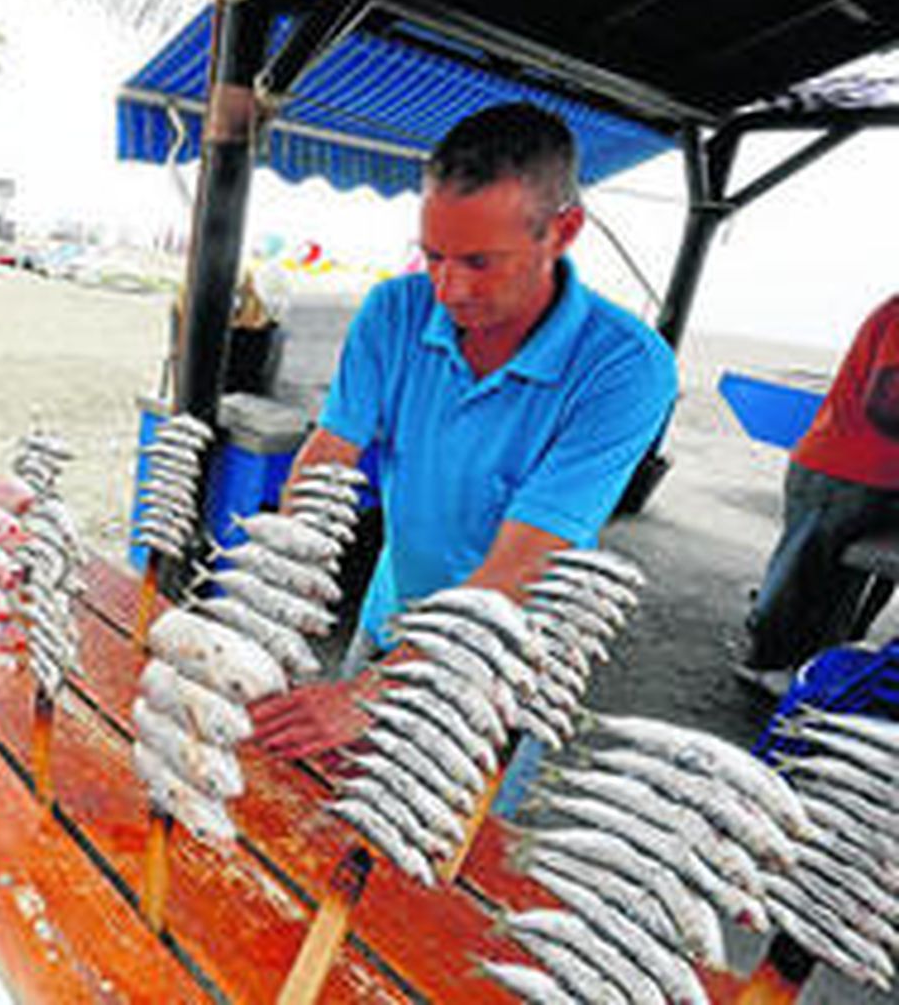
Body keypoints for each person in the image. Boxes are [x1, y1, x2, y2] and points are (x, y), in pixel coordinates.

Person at [249, 102, 678, 759]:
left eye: (480, 262)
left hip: (507, 660)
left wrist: (369, 695)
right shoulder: (394, 310)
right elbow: (330, 454)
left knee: (446, 821)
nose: (448, 289)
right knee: (330, 796)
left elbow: (528, 560)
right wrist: (283, 580)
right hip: (392, 618)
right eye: (434, 256)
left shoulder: (626, 367)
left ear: (563, 231)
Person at [734, 296, 899, 695]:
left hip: (877, 476)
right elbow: (885, 402)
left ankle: (809, 668)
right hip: (842, 469)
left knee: (835, 587)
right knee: (804, 575)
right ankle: (764, 663)